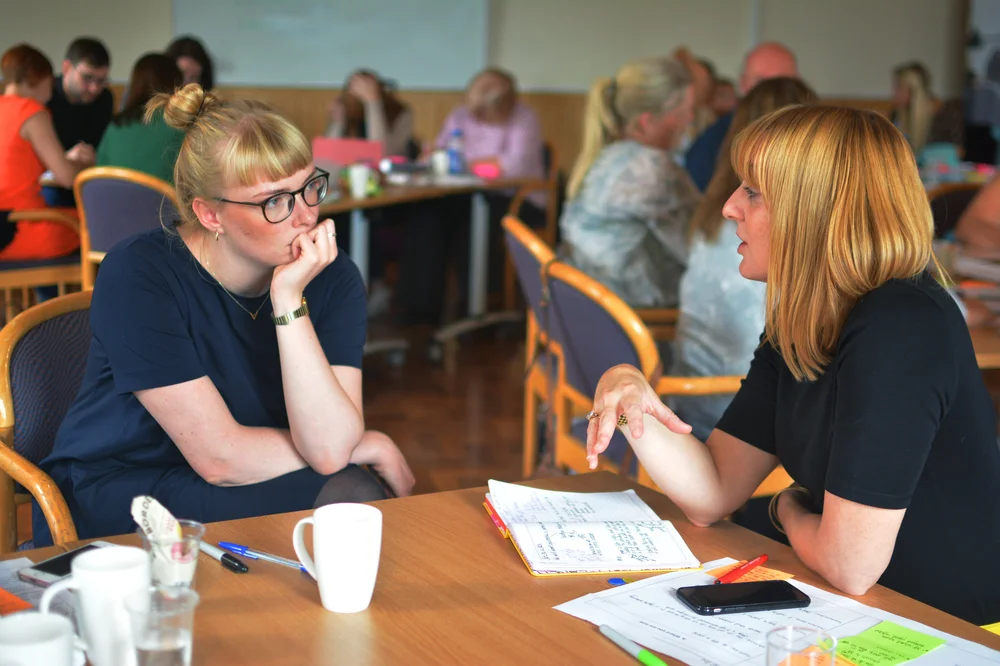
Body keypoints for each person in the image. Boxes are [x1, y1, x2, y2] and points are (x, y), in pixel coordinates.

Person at [586, 105, 1000, 626]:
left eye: (753, 193)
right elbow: (712, 492)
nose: (730, 207)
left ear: (819, 211)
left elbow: (852, 566)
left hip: (950, 627)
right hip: (859, 607)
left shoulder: (900, 326)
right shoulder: (807, 320)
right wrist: (624, 388)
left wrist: (785, 509)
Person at [33, 84, 415, 546]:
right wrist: (365, 444)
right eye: (275, 201)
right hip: (127, 487)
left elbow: (331, 446)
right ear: (210, 215)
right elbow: (219, 461)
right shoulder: (140, 273)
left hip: (254, 470)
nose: (306, 216)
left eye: (310, 186)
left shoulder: (331, 278)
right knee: (349, 487)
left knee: (352, 496)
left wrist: (288, 299)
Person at [670, 78, 817, 441]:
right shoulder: (779, 333)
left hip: (695, 401)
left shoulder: (709, 216)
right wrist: (626, 408)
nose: (729, 208)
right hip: (727, 413)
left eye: (753, 192)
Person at [395, 68, 546, 323]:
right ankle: (421, 307)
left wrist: (467, 164)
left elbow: (513, 167)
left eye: (485, 106)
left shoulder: (524, 118)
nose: (476, 113)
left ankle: (483, 305)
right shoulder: (460, 115)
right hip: (465, 194)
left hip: (518, 197)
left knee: (475, 226)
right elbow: (440, 154)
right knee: (426, 216)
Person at [558, 57, 696, 310]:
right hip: (624, 314)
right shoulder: (647, 167)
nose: (690, 120)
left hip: (584, 303)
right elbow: (693, 250)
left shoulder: (608, 154)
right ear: (647, 122)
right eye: (683, 112)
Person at [0, 44, 85, 260]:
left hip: (8, 226)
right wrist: (85, 164)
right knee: (96, 223)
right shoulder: (32, 113)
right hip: (19, 226)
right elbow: (66, 177)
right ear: (38, 78)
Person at [685, 42, 798, 191]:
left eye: (783, 82)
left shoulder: (817, 136)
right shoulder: (714, 141)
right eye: (761, 81)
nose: (773, 91)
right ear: (743, 83)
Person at [96, 53, 185, 183]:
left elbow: (100, 174)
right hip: (163, 202)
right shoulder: (180, 126)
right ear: (175, 86)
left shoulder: (114, 127)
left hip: (112, 202)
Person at [44, 37, 111, 207]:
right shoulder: (45, 95)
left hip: (89, 182)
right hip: (49, 183)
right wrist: (62, 160)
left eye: (101, 80)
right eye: (87, 78)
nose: (94, 88)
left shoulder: (104, 98)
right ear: (67, 68)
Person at [325, 69, 415, 158]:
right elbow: (327, 156)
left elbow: (383, 154)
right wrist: (337, 121)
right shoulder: (347, 112)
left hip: (390, 171)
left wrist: (373, 104)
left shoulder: (400, 113)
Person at [892, 62, 964, 157]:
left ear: (912, 90)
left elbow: (959, 152)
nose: (894, 93)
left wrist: (927, 155)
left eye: (899, 87)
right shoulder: (898, 114)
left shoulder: (947, 115)